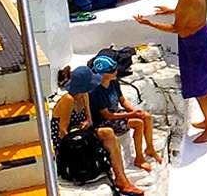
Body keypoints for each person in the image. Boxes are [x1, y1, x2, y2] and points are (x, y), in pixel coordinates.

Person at [133, 0, 207, 143]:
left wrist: (150, 23)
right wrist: (172, 10)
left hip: (195, 45)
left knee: (201, 89)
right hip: (203, 38)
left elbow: (177, 28)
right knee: (205, 85)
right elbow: (193, 11)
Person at [51, 59, 145, 196]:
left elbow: (89, 120)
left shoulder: (84, 95)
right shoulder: (68, 100)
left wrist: (86, 125)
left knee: (108, 133)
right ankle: (120, 180)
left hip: (81, 133)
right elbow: (62, 131)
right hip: (68, 140)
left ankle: (121, 179)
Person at [85, 57, 159, 170]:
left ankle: (150, 148)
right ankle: (139, 158)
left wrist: (134, 111)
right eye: (112, 70)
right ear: (103, 74)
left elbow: (122, 100)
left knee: (146, 117)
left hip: (115, 114)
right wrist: (131, 115)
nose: (116, 72)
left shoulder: (113, 82)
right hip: (104, 121)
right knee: (138, 123)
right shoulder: (96, 91)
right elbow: (107, 115)